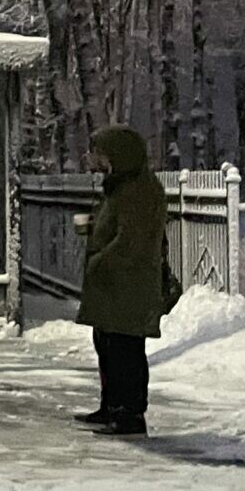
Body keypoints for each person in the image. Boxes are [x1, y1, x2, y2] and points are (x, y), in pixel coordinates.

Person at [78, 124, 169, 436]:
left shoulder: (138, 190)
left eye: (99, 152)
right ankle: (112, 405)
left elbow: (132, 239)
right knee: (107, 343)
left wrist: (100, 260)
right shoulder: (120, 186)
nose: (94, 158)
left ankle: (129, 413)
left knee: (125, 348)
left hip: (128, 282)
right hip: (114, 284)